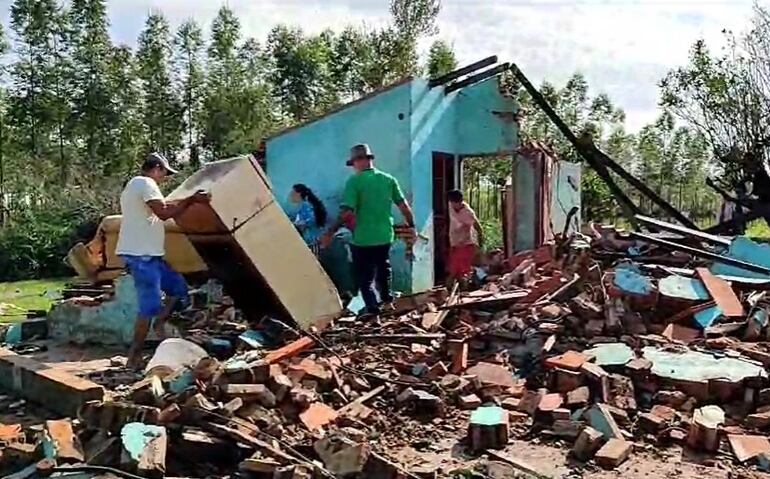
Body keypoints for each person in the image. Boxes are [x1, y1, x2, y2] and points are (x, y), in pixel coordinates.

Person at [116, 152, 211, 369]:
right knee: (149, 306)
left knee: (177, 288)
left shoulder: (136, 185)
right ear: (157, 168)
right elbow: (164, 212)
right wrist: (192, 200)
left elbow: (162, 208)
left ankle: (159, 324)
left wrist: (187, 200)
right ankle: (134, 356)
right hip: (142, 257)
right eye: (165, 173)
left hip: (151, 256)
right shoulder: (146, 183)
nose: (165, 178)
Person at [323, 144, 415, 317]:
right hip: (385, 235)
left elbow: (347, 211)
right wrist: (412, 226)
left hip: (363, 238)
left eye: (354, 163)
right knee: (383, 268)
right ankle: (388, 302)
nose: (354, 167)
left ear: (359, 161)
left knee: (364, 278)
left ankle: (374, 312)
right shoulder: (389, 179)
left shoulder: (355, 182)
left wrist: (330, 231)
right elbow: (404, 206)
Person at [447, 189, 483, 283]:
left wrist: (480, 242)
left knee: (464, 271)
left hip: (466, 243)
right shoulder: (450, 206)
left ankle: (466, 288)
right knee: (453, 269)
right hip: (455, 242)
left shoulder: (468, 213)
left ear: (459, 202)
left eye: (454, 202)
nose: (452, 204)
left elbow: (478, 227)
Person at [289, 184, 328, 255]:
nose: (291, 195)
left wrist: (298, 224)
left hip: (311, 242)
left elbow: (310, 220)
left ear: (299, 194)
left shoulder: (305, 206)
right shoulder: (303, 206)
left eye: (293, 193)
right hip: (311, 242)